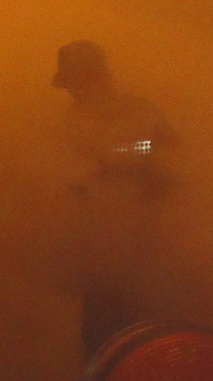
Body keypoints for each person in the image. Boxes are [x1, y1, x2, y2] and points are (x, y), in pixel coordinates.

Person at [53, 40, 173, 356]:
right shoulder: (73, 118)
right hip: (99, 246)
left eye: (76, 83)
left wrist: (115, 158)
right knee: (98, 335)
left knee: (138, 333)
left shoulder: (138, 111)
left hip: (140, 242)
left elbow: (161, 151)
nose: (73, 92)